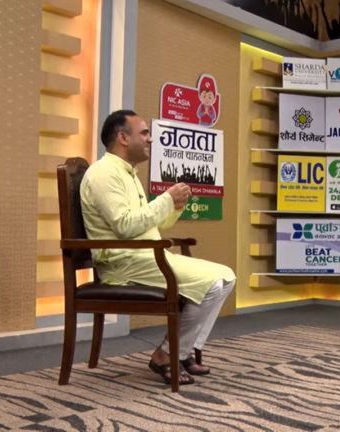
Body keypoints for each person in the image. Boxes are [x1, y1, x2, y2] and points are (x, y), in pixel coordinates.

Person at [80, 109, 236, 386]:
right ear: (123, 137)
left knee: (226, 277)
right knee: (211, 284)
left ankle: (182, 351)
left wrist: (174, 206)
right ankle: (167, 354)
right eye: (144, 133)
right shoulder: (104, 173)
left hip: (146, 255)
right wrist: (165, 199)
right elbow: (125, 226)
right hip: (123, 264)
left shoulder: (127, 172)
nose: (150, 139)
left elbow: (150, 224)